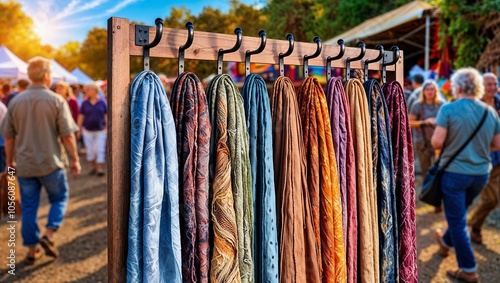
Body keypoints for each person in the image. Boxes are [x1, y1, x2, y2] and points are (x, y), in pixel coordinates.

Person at [0, 56, 81, 264]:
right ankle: (49, 234)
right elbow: (68, 135)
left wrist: (10, 162)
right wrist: (75, 160)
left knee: (28, 207)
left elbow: (8, 137)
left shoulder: (15, 101)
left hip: (25, 165)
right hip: (51, 163)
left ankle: (31, 250)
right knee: (59, 198)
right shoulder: (56, 100)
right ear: (46, 76)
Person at [431, 67, 500, 283]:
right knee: (459, 214)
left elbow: (436, 142)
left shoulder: (449, 109)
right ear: (479, 87)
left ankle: (469, 270)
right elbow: (497, 145)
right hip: (481, 175)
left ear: (458, 87)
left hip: (455, 174)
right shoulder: (491, 112)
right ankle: (446, 241)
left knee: (458, 221)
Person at [468, 73, 500, 244]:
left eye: (495, 84)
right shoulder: (474, 105)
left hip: (498, 155)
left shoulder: (499, 102)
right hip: (482, 158)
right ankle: (474, 226)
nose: (493, 88)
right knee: (491, 199)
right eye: (489, 84)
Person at [409, 80, 445, 179]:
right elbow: (410, 123)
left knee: (441, 169)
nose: (430, 92)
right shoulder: (417, 105)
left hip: (439, 141)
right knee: (426, 171)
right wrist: (424, 122)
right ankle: (428, 192)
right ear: (423, 91)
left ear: (436, 91)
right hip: (422, 142)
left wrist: (437, 122)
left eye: (432, 89)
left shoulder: (442, 105)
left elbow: (448, 122)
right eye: (427, 89)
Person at [77, 83, 107, 176]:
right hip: (88, 131)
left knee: (99, 149)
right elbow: (81, 116)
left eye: (88, 89)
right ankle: (93, 167)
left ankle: (100, 169)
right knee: (90, 150)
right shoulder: (84, 103)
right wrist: (79, 129)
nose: (86, 91)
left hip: (100, 130)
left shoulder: (102, 102)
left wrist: (107, 128)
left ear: (94, 90)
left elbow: (106, 115)